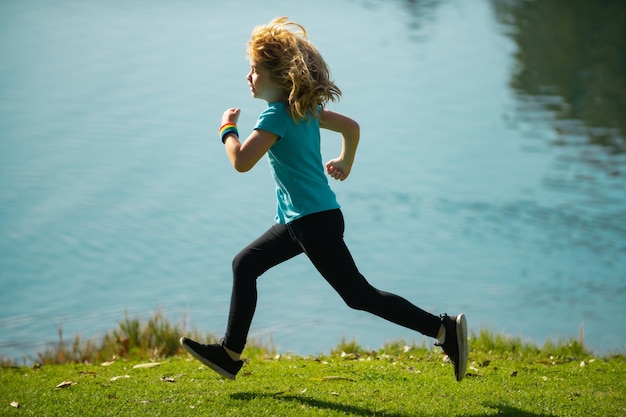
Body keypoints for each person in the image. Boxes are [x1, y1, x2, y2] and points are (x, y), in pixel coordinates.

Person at [180, 17, 468, 382]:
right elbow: (352, 127)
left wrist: (227, 128)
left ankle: (444, 330)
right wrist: (346, 160)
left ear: (279, 77)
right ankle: (229, 354)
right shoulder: (303, 109)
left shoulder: (276, 115)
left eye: (255, 70)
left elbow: (241, 161)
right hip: (304, 220)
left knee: (359, 295)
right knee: (245, 265)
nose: (249, 77)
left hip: (311, 222)